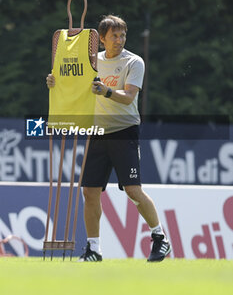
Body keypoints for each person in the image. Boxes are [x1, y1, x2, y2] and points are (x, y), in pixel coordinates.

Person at [46, 15, 171, 262]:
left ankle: (160, 238)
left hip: (124, 132)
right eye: (114, 35)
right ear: (101, 39)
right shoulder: (93, 61)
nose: (120, 40)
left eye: (123, 35)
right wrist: (54, 82)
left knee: (134, 191)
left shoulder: (134, 62)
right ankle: (94, 249)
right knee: (90, 192)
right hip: (97, 133)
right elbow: (71, 82)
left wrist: (107, 90)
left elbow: (128, 97)